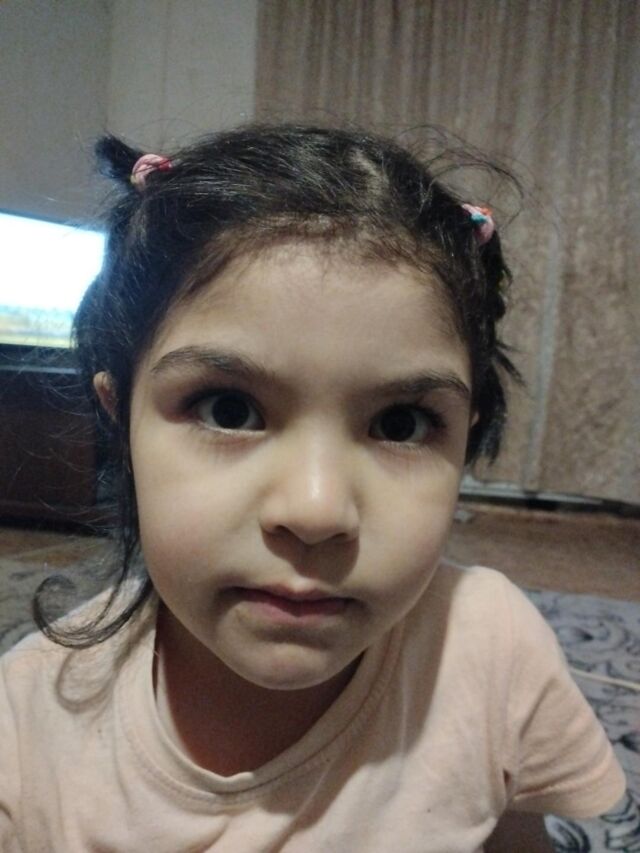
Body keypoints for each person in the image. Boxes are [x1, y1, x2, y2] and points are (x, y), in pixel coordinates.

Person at [0, 124, 626, 852]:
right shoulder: (30, 722)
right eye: (228, 410)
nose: (317, 510)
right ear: (121, 421)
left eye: (400, 423)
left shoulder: (494, 651)